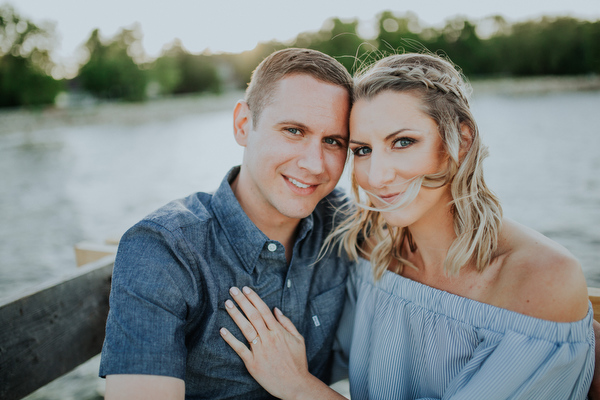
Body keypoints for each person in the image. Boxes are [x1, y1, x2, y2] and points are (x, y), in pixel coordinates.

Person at [220, 53, 597, 399]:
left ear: (459, 142)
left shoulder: (540, 279)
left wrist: (300, 387)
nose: (378, 176)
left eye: (403, 142)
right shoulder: (367, 249)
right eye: (362, 150)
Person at [98, 48, 356, 399]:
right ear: (242, 125)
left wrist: (299, 388)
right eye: (294, 131)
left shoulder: (343, 223)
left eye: (333, 141)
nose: (314, 163)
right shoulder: (164, 249)